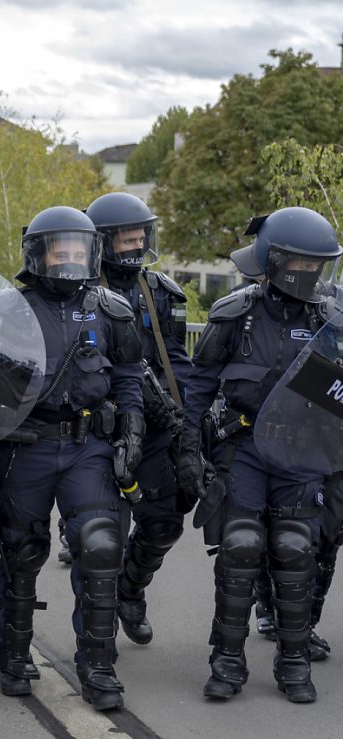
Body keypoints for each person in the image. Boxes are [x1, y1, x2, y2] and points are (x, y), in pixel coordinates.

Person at [178, 206, 342, 703]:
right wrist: (188, 447)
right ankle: (227, 661)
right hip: (244, 448)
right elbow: (198, 387)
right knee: (240, 549)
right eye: (298, 264)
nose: (308, 274)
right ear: (272, 261)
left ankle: (293, 661)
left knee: (296, 550)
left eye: (317, 265)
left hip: (304, 453)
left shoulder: (331, 322)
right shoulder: (235, 315)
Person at [0, 206, 144, 712]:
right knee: (21, 552)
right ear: (40, 253)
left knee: (101, 548)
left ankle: (97, 667)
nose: (72, 258)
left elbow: (127, 375)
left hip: (88, 448)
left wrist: (132, 427)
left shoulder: (111, 309)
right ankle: (13, 655)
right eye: (62, 249)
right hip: (27, 447)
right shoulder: (6, 308)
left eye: (80, 250)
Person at [85, 193, 192, 645]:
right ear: (104, 243)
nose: (135, 244)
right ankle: (98, 626)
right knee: (103, 534)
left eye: (139, 236)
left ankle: (131, 589)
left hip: (152, 429)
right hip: (100, 427)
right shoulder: (81, 294)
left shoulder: (163, 293)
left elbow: (180, 362)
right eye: (126, 238)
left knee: (166, 520)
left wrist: (182, 414)